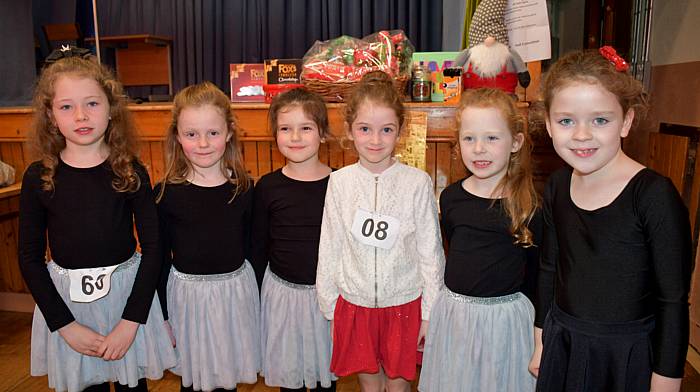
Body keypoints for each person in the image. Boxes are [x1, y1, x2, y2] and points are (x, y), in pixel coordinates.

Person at [529, 47, 692, 392]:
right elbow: (549, 266)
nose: (582, 135)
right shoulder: (557, 185)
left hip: (625, 356)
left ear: (627, 121)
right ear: (548, 123)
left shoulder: (653, 196)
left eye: (600, 120)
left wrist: (667, 380)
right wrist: (541, 340)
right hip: (564, 342)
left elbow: (672, 300)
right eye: (566, 121)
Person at [18, 48, 175, 392]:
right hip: (68, 306)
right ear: (50, 115)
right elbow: (29, 258)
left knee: (133, 385)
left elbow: (154, 247)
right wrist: (65, 325)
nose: (80, 116)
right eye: (66, 107)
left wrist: (131, 321)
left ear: (111, 109)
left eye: (91, 103)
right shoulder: (38, 177)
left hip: (126, 300)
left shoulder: (130, 171)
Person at [315, 71, 445, 392]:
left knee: (398, 388)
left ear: (400, 132)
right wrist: (331, 307)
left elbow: (431, 253)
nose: (375, 140)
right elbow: (330, 247)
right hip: (355, 306)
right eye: (365, 129)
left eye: (386, 130)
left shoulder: (417, 183)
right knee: (369, 386)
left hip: (404, 304)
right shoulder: (339, 182)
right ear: (350, 131)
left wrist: (429, 312)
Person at [419, 88, 540, 392]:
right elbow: (451, 248)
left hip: (505, 322)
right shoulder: (451, 198)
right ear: (457, 143)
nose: (479, 149)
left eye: (492, 138)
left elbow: (538, 274)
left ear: (515, 142)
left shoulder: (528, 204)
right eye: (469, 138)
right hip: (456, 318)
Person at [155, 82, 260, 392]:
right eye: (191, 134)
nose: (203, 143)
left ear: (228, 133)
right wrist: (162, 315)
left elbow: (254, 251)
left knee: (228, 379)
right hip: (187, 301)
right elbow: (158, 259)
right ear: (177, 136)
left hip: (234, 297)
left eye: (212, 133)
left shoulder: (244, 189)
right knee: (193, 380)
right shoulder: (164, 194)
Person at [252, 88, 336, 392]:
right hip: (283, 296)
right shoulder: (267, 187)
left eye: (306, 128)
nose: (295, 137)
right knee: (290, 379)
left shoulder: (341, 183)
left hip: (327, 300)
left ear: (323, 133)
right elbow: (259, 247)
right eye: (286, 129)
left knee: (326, 377)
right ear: (275, 134)